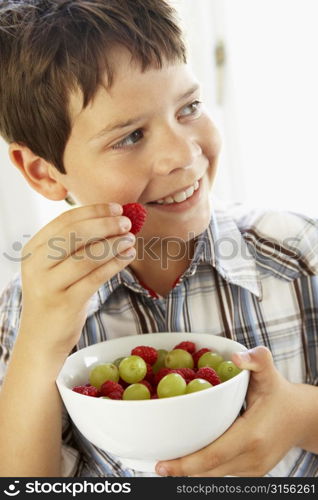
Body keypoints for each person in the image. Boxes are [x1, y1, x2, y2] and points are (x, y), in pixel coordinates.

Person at [0, 0, 317, 478]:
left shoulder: (299, 256)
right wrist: (42, 342)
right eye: (129, 136)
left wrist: (299, 415)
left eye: (188, 108)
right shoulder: (25, 312)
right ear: (44, 172)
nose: (182, 154)